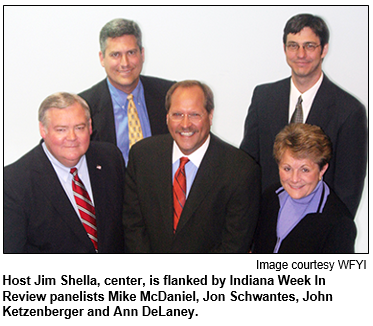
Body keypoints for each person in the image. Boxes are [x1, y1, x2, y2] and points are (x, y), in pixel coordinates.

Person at [240, 13, 367, 217]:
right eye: (293, 46)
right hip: (264, 224)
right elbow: (247, 167)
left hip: (317, 230)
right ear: (284, 49)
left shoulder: (349, 111)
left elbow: (348, 191)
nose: (301, 54)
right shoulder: (263, 97)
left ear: (324, 49)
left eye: (309, 46)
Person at [123, 80, 261, 253]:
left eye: (195, 114)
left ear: (210, 116)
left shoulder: (241, 170)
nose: (185, 124)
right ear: (167, 117)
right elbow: (133, 225)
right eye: (177, 114)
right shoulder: (142, 156)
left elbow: (234, 244)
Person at [4, 93, 126, 253]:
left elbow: (126, 225)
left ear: (90, 126)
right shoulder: (13, 182)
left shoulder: (109, 158)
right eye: (61, 130)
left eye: (79, 127)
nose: (72, 137)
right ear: (43, 130)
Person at [79, 18, 175, 164]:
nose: (125, 63)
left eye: (131, 52)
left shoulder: (170, 94)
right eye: (115, 55)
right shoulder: (84, 106)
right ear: (102, 58)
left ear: (142, 54)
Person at [253, 123, 356, 253]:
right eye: (287, 168)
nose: (295, 179)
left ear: (322, 170)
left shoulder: (339, 223)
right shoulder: (270, 197)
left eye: (305, 170)